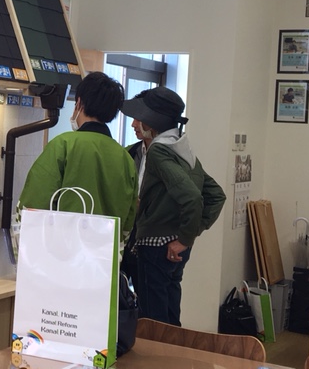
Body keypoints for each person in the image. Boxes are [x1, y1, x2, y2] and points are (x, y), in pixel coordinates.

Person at [120, 87, 226, 326]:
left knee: (153, 323)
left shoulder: (158, 151)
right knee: (169, 319)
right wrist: (186, 238)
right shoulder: (182, 149)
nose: (134, 124)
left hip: (154, 247)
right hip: (172, 248)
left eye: (139, 118)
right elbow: (216, 196)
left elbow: (192, 198)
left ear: (153, 121)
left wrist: (186, 238)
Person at [16, 71, 138, 243]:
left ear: (79, 103)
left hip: (63, 250)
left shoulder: (63, 145)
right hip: (105, 252)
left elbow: (34, 203)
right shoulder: (125, 158)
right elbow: (129, 218)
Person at [121, 90, 153, 289]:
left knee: (150, 301)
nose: (133, 124)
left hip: (153, 243)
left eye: (138, 118)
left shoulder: (172, 157)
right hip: (126, 238)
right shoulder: (129, 153)